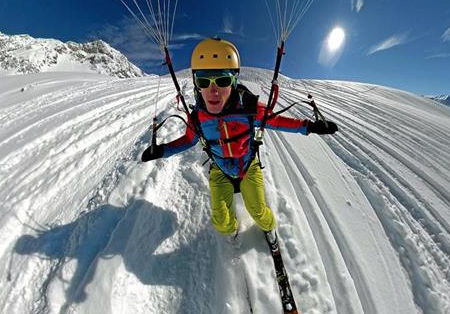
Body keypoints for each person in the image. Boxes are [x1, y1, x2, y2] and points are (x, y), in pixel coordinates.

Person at [141, 37, 338, 241]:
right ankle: (234, 229)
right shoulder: (198, 118)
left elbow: (278, 122)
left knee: (260, 213)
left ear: (234, 82)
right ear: (196, 85)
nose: (213, 90)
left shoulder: (249, 110)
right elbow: (188, 141)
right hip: (220, 170)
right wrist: (162, 150)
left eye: (223, 80)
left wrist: (310, 126)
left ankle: (269, 228)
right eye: (203, 82)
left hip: (248, 166)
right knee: (221, 223)